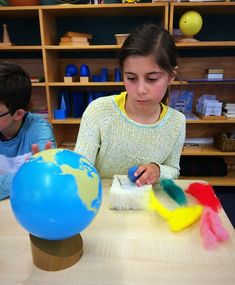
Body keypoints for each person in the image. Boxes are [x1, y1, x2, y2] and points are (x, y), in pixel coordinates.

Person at [75, 24, 185, 186]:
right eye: (131, 78)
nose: (140, 90)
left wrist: (157, 170)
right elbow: (80, 169)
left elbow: (173, 169)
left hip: (147, 205)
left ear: (171, 76)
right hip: (99, 204)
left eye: (152, 79)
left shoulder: (177, 122)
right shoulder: (98, 111)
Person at [0, 62, 56, 200]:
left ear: (18, 114)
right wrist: (28, 176)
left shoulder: (40, 130)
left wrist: (35, 176)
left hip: (28, 208)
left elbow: (46, 176)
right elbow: (32, 178)